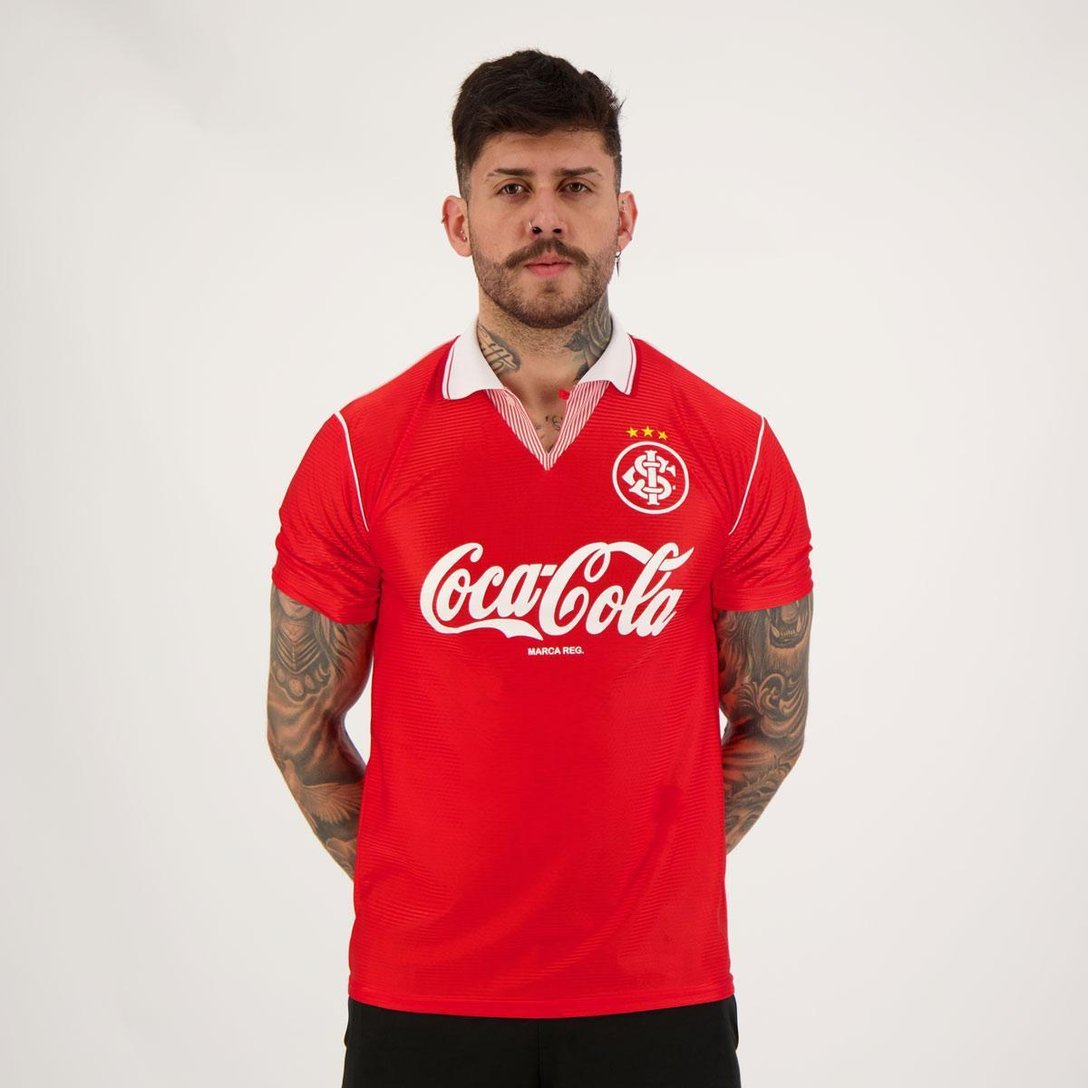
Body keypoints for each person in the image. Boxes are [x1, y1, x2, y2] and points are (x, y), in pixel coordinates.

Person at [267, 48, 813, 1088]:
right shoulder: (358, 450)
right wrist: (429, 896)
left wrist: (639, 895)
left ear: (625, 214)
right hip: (423, 999)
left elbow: (772, 722)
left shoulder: (732, 448)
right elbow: (298, 726)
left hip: (659, 995)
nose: (545, 218)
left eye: (576, 186)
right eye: (511, 188)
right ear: (458, 220)